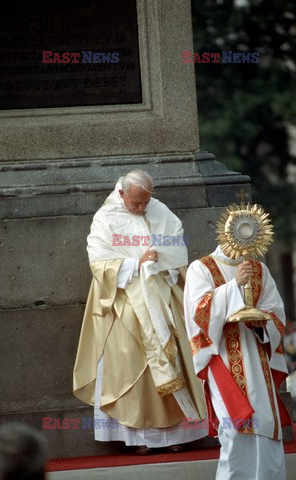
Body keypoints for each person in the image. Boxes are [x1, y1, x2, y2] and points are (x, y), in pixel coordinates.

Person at [73, 169, 207, 454]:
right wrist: (137, 264)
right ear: (122, 193)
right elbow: (98, 261)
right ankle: (139, 438)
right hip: (125, 299)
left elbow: (176, 245)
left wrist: (160, 260)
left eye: (145, 202)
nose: (141, 208)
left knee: (175, 358)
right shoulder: (105, 219)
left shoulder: (161, 211)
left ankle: (176, 436)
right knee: (132, 363)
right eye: (136, 202)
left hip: (160, 293)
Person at [184, 242, 292, 479]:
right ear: (226, 234)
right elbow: (198, 313)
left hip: (256, 358)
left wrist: (262, 322)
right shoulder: (201, 268)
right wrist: (235, 286)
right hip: (221, 357)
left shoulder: (260, 270)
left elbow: (276, 313)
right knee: (235, 430)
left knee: (264, 425)